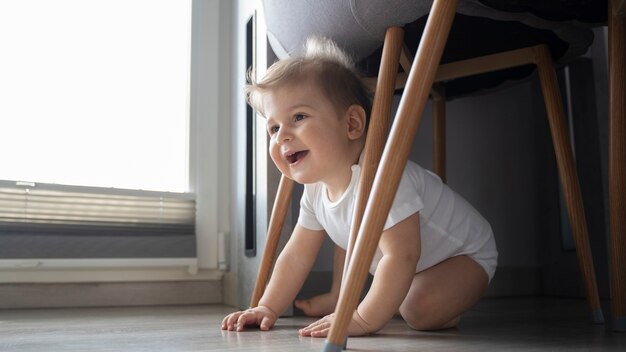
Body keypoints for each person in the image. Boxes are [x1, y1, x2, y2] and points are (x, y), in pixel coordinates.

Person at [221, 37, 498, 337]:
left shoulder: (384, 178)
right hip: (415, 265)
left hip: (463, 257)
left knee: (418, 309)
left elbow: (402, 255)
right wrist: (267, 307)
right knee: (384, 277)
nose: (281, 137)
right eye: (273, 128)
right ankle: (376, 297)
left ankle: (429, 308)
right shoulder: (315, 191)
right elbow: (296, 256)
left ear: (352, 124)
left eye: (298, 117)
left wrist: (363, 320)